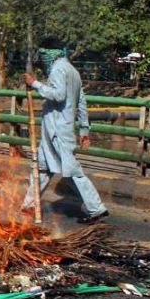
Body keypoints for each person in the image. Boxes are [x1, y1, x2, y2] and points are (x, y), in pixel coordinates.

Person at [21, 38, 109, 224]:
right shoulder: (72, 71)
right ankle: (28, 206)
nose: (42, 58)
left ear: (50, 53)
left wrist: (35, 84)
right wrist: (84, 129)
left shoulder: (58, 70)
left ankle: (96, 208)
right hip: (53, 131)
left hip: (58, 132)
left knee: (73, 172)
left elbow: (59, 95)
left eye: (43, 53)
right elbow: (81, 102)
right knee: (42, 169)